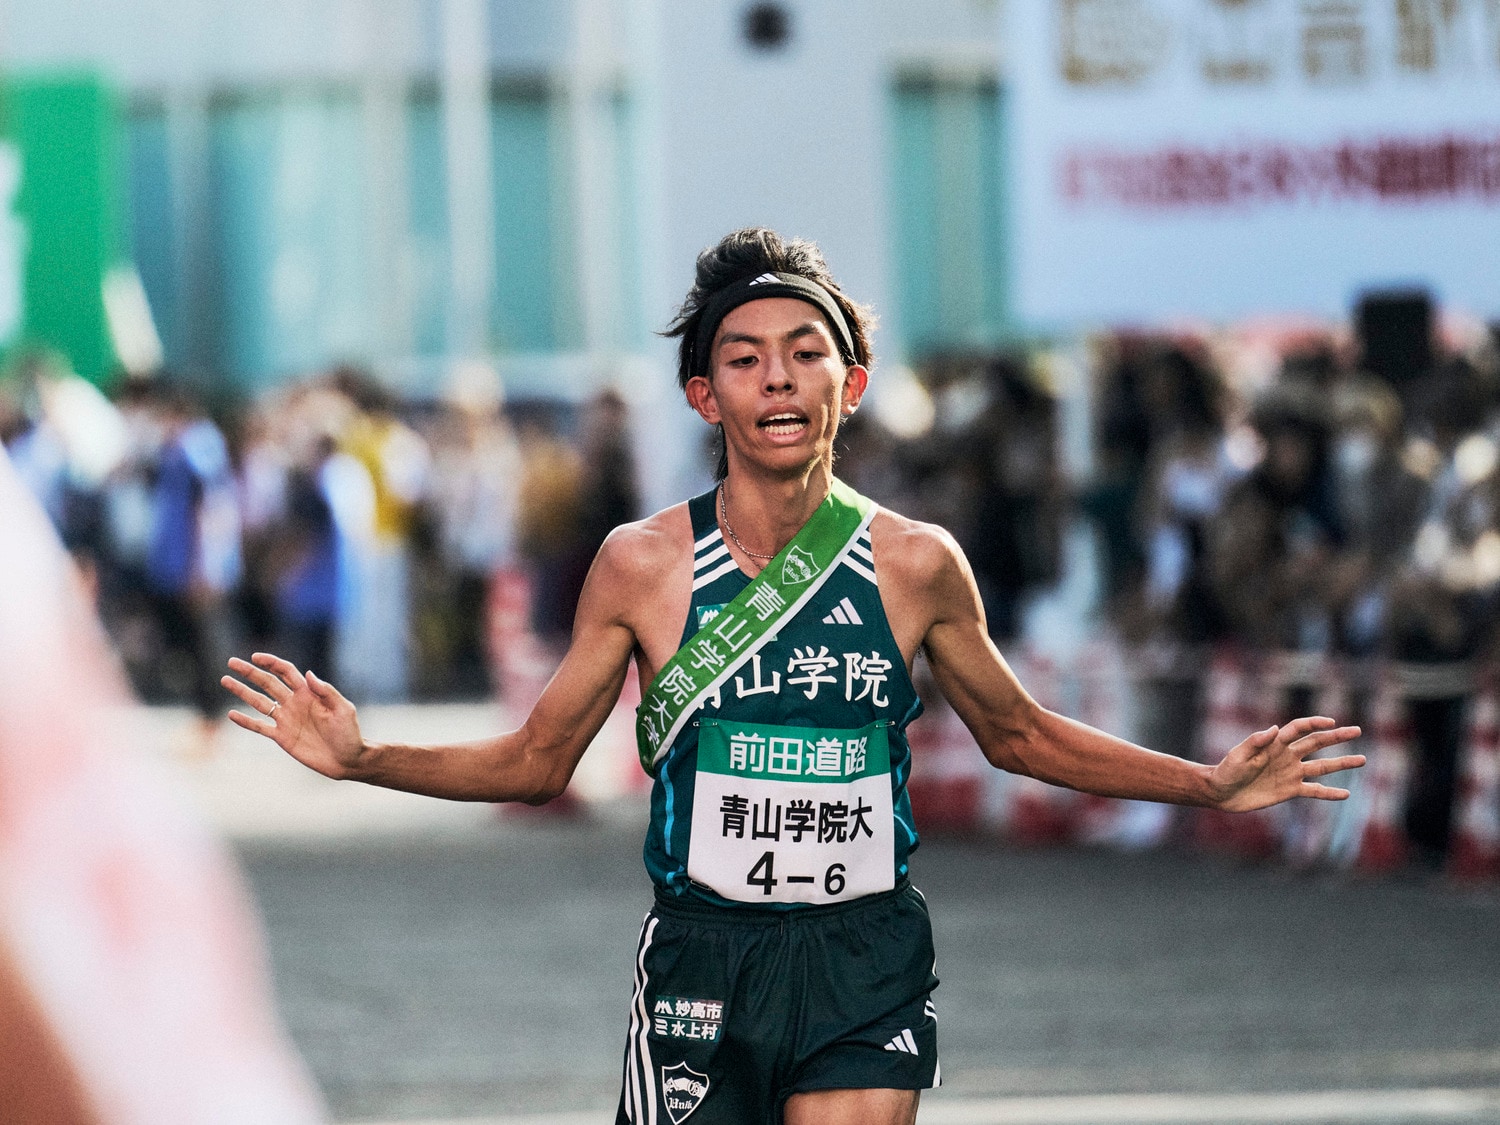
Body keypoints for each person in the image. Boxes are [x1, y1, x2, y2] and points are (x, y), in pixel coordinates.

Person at [222, 228, 1365, 1125]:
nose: (778, 380)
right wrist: (364, 759)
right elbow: (537, 763)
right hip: (703, 957)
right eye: (745, 359)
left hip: (865, 955)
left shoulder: (916, 563)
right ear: (703, 396)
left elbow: (1019, 735)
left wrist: (1207, 784)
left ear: (850, 384)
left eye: (806, 354)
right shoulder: (642, 566)